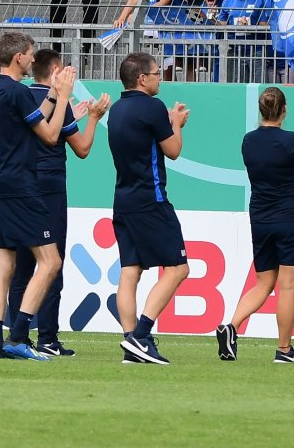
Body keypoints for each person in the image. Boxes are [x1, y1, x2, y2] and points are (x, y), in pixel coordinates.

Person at [0, 30, 76, 361]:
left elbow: (31, 121)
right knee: (51, 262)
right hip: (19, 186)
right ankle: (19, 336)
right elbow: (50, 136)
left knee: (3, 263)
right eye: (30, 53)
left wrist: (50, 94)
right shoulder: (19, 92)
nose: (34, 58)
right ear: (18, 57)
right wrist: (63, 97)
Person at [217, 86, 294, 364]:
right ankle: (284, 350)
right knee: (287, 287)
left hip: (260, 218)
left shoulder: (249, 141)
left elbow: (275, 158)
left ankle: (231, 326)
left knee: (263, 283)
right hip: (289, 217)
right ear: (284, 110)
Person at [106, 50, 191, 365]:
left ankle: (131, 342)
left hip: (123, 198)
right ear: (142, 78)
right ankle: (141, 335)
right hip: (150, 200)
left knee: (130, 271)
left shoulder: (117, 110)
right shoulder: (153, 108)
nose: (161, 78)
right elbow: (173, 150)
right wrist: (176, 123)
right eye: (157, 73)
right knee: (179, 268)